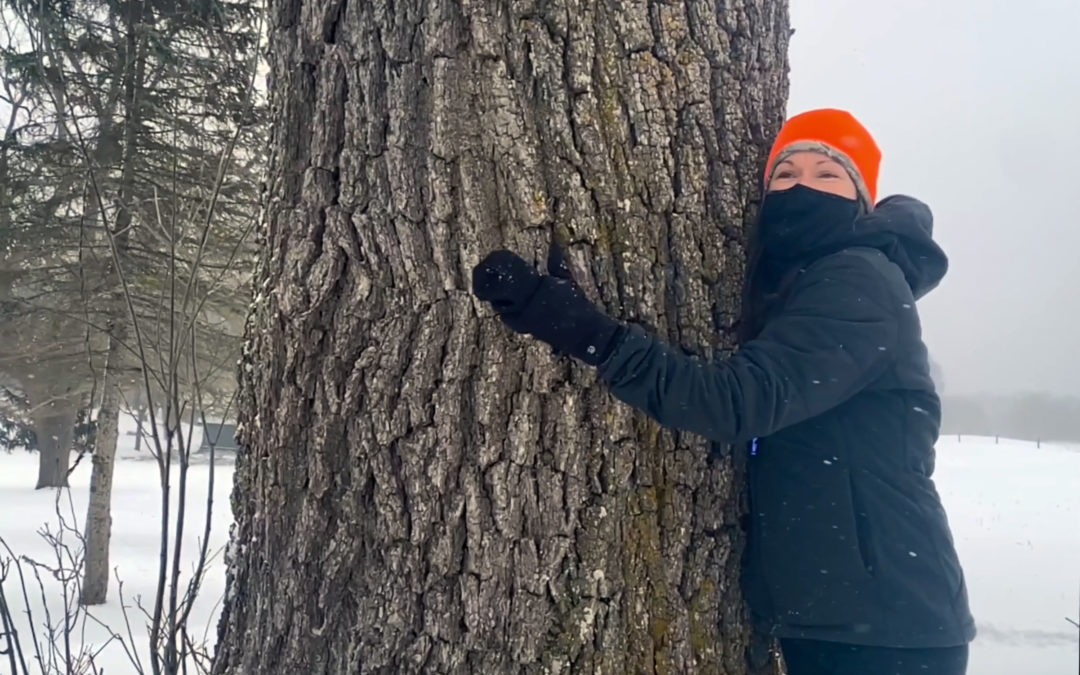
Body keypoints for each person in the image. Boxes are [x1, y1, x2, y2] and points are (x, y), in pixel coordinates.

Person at [471, 108, 976, 675]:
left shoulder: (861, 280)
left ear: (861, 201)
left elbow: (737, 402)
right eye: (783, 174)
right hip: (844, 614)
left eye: (828, 173)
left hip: (888, 628)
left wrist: (587, 331)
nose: (801, 185)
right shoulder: (805, 285)